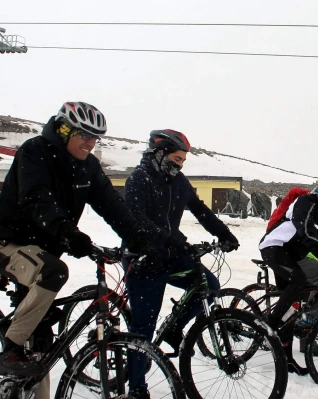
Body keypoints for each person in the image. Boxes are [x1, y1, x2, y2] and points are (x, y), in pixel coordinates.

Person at [0, 102, 153, 398]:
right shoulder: (35, 152)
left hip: (43, 250)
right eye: (84, 135)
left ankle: (25, 378)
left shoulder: (88, 166)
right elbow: (36, 199)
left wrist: (139, 238)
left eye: (95, 138)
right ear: (64, 130)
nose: (90, 143)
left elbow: (113, 205)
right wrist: (68, 232)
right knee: (54, 272)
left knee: (43, 345)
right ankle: (10, 350)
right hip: (4, 241)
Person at [122, 129, 239, 396]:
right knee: (144, 327)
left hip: (172, 254)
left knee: (208, 285)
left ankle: (175, 327)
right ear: (159, 153)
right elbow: (136, 219)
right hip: (143, 258)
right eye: (176, 159)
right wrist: (166, 239)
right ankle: (136, 387)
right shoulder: (139, 179)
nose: (179, 165)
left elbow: (201, 210)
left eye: (183, 161)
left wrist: (224, 234)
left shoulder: (179, 182)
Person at [258, 173, 318, 374]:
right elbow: (305, 231)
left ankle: (287, 358)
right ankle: (269, 323)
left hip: (291, 254)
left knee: (292, 308)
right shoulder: (305, 202)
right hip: (275, 248)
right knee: (298, 281)